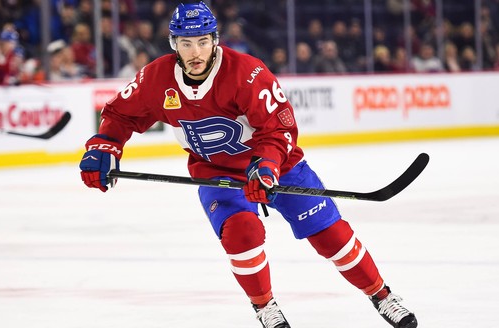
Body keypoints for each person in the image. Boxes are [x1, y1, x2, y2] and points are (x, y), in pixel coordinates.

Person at [78, 2, 418, 328]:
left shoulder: (248, 73)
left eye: (202, 41)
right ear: (174, 44)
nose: (195, 52)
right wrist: (105, 145)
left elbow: (279, 128)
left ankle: (381, 295)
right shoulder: (156, 78)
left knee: (331, 234)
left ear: (215, 41)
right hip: (216, 172)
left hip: (278, 166)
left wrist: (267, 165)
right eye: (186, 43)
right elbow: (121, 114)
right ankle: (265, 306)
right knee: (242, 233)